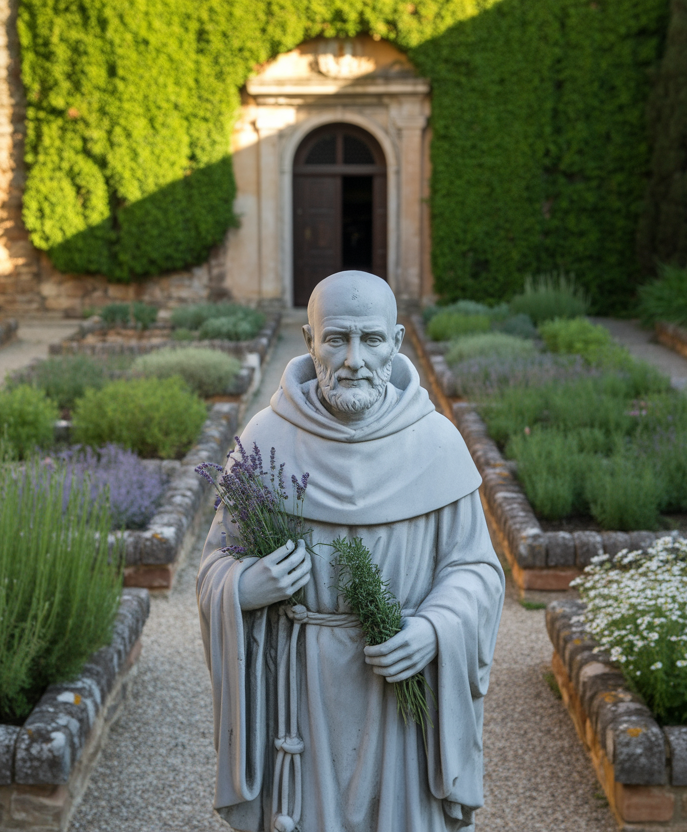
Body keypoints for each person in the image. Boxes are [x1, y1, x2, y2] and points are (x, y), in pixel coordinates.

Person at [197, 271, 504, 832]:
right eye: (336, 339)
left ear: (397, 341)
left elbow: (474, 569)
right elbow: (214, 562)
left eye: (371, 339)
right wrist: (243, 586)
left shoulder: (435, 443)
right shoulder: (267, 439)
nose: (354, 359)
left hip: (397, 682)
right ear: (310, 342)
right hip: (299, 688)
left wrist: (434, 630)